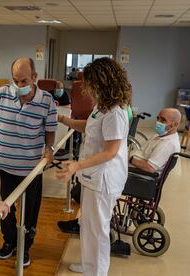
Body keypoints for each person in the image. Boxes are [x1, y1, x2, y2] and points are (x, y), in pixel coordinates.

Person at [0, 57, 57, 267]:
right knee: (6, 208)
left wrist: (49, 149)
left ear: (34, 77)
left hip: (32, 168)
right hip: (6, 164)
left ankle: (24, 247)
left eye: (24, 81)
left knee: (30, 213)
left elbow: (50, 130)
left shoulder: (47, 101)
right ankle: (9, 242)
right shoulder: (2, 93)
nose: (19, 86)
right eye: (15, 80)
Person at [56, 57, 131, 275]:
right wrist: (64, 120)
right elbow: (90, 127)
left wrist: (77, 165)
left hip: (104, 179)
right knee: (87, 226)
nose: (86, 88)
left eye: (89, 83)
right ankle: (89, 265)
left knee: (98, 230)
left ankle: (97, 271)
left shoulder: (116, 111)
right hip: (92, 177)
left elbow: (111, 151)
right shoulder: (103, 106)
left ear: (101, 82)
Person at [58, 107, 181, 235]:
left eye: (163, 120)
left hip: (141, 179)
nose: (159, 122)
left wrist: (129, 158)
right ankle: (84, 220)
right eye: (158, 118)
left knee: (94, 178)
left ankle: (84, 224)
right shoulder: (162, 137)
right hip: (138, 173)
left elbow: (150, 168)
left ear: (175, 124)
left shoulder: (168, 144)